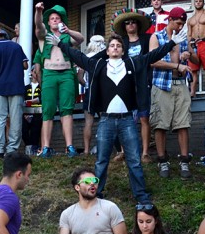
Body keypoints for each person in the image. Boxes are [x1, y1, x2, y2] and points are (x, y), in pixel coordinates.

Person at [53, 27, 188, 203]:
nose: (115, 48)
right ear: (107, 51)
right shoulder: (98, 65)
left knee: (134, 160)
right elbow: (78, 56)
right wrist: (61, 44)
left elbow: (152, 55)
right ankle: (96, 194)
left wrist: (172, 43)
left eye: (118, 46)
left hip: (127, 120)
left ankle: (141, 196)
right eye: (112, 46)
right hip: (106, 120)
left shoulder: (132, 63)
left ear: (123, 51)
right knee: (101, 161)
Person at [34, 3, 85, 158]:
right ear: (48, 22)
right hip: (49, 74)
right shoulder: (44, 35)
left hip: (66, 74)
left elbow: (81, 39)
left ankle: (69, 146)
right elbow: (38, 25)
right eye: (52, 18)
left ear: (62, 21)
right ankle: (46, 147)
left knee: (66, 110)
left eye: (58, 18)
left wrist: (67, 30)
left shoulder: (66, 37)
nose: (55, 20)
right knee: (48, 110)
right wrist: (38, 11)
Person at [149, 6, 193, 179]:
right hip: (162, 84)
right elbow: (153, 61)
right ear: (170, 20)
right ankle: (162, 161)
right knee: (160, 124)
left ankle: (184, 161)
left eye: (183, 24)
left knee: (183, 124)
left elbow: (196, 58)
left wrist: (188, 55)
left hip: (181, 83)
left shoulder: (184, 37)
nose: (180, 27)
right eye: (178, 23)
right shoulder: (157, 36)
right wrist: (177, 65)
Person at [0, 26, 30, 158]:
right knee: (15, 119)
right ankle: (12, 149)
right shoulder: (16, 47)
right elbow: (25, 65)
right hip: (17, 86)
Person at [113, 8, 153, 162]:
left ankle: (145, 153)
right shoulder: (121, 43)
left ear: (138, 25)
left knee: (144, 117)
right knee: (124, 117)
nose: (130, 25)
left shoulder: (147, 39)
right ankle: (124, 151)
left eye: (133, 22)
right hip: (125, 83)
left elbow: (152, 57)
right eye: (127, 23)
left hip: (143, 82)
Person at [23, 57, 43, 156]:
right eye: (34, 71)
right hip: (26, 112)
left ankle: (34, 148)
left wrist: (30, 101)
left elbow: (41, 98)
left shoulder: (42, 86)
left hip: (38, 112)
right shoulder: (26, 87)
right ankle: (28, 148)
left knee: (36, 130)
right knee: (24, 130)